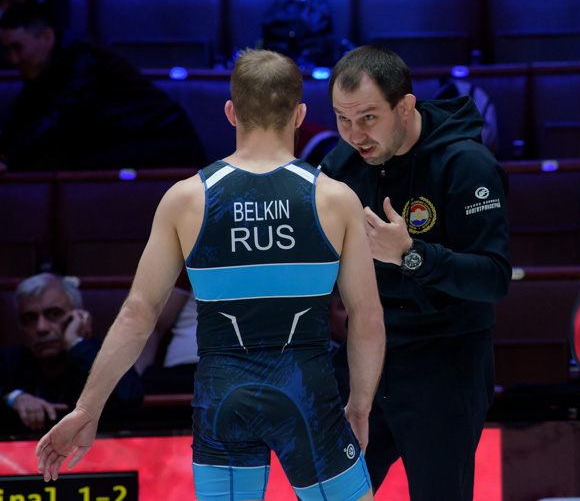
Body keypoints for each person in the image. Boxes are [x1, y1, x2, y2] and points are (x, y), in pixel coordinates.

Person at [36, 49, 386, 501]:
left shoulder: (186, 199)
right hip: (309, 398)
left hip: (222, 402)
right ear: (300, 115)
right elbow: (366, 317)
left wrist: (87, 408)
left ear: (231, 112)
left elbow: (138, 314)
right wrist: (359, 407)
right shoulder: (336, 199)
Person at [320, 45, 511, 501]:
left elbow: (493, 277)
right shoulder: (339, 167)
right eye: (343, 119)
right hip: (364, 357)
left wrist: (411, 255)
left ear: (405, 106)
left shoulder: (466, 164)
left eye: (368, 117)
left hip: (444, 359)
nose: (355, 135)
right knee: (331, 495)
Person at [0, 2, 205, 172]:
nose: (13, 59)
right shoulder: (42, 66)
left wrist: (10, 159)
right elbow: (22, 112)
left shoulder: (83, 56)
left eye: (18, 48)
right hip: (125, 138)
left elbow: (60, 114)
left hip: (164, 138)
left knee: (77, 171)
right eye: (7, 50)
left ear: (47, 37)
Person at [1, 274, 144, 432]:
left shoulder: (100, 354)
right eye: (29, 318)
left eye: (54, 314)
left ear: (77, 318)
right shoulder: (10, 360)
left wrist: (76, 344)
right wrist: (14, 397)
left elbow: (130, 395)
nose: (41, 328)